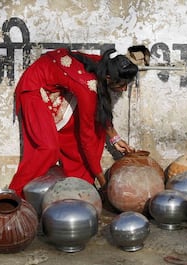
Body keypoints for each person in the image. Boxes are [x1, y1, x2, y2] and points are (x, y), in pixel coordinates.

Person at [9, 47, 138, 198]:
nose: (123, 89)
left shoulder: (102, 65)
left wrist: (115, 138)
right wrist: (102, 181)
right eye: (121, 84)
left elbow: (101, 107)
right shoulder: (87, 87)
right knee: (48, 149)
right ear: (108, 77)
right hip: (34, 88)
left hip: (56, 88)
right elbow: (86, 138)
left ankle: (79, 183)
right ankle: (13, 194)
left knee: (93, 130)